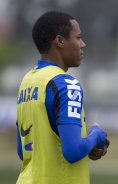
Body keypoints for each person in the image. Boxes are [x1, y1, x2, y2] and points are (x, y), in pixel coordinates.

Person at [16, 11, 109, 184]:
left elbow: (23, 150)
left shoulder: (27, 81)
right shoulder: (66, 84)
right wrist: (96, 135)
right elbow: (73, 151)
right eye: (78, 38)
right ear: (60, 41)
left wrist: (86, 146)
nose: (83, 44)